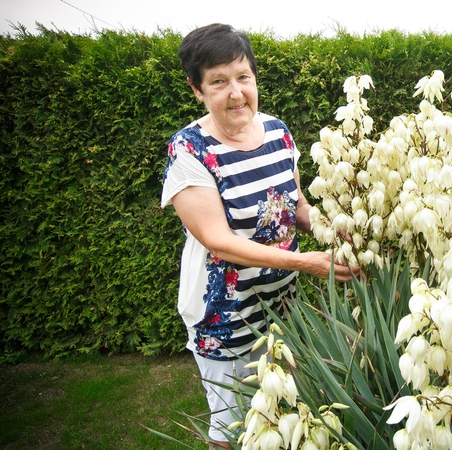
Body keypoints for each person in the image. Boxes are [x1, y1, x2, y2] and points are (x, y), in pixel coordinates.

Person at [161, 23, 357, 449]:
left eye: (242, 77)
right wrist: (308, 263)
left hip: (282, 306)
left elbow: (295, 206)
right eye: (218, 82)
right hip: (225, 315)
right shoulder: (189, 150)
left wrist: (340, 232)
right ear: (197, 90)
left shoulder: (277, 132)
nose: (235, 93)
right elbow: (219, 241)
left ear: (254, 78)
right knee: (233, 427)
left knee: (282, 411)